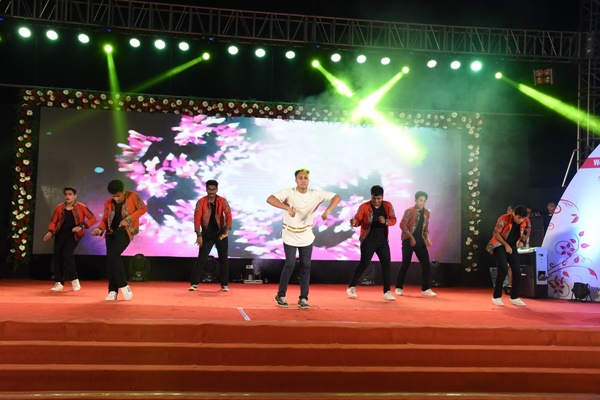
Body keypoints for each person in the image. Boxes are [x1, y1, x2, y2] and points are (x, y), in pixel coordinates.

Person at [267, 168, 341, 309]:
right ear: (296, 180)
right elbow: (270, 199)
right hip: (289, 233)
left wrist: (328, 210)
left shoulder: (315, 194)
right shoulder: (289, 192)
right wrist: (287, 208)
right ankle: (281, 295)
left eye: (305, 178)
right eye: (300, 178)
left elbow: (336, 197)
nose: (303, 180)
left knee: (306, 266)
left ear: (308, 180)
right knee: (290, 264)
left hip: (306, 234)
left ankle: (303, 298)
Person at [91, 179, 147, 301]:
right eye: (114, 196)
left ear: (123, 192)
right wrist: (100, 229)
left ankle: (124, 286)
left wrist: (128, 219)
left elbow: (142, 209)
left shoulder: (133, 196)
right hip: (111, 232)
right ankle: (112, 291)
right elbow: (105, 219)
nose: (116, 199)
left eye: (118, 196)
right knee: (110, 260)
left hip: (125, 232)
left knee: (113, 255)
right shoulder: (108, 202)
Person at [346, 185, 397, 301]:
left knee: (386, 265)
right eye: (374, 198)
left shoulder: (388, 205)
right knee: (364, 264)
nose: (376, 201)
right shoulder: (364, 206)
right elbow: (358, 220)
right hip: (368, 240)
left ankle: (387, 291)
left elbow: (394, 220)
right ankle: (351, 287)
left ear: (382, 197)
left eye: (379, 199)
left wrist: (386, 221)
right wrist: (354, 222)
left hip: (383, 242)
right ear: (371, 196)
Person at [43, 186, 97, 292]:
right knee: (57, 257)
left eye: (70, 194)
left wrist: (81, 226)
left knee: (67, 254)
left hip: (73, 235)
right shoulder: (59, 208)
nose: (68, 196)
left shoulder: (81, 206)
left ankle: (74, 279)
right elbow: (53, 221)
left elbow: (93, 218)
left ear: (75, 196)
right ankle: (58, 282)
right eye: (66, 194)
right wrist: (50, 231)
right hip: (60, 234)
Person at [189, 179, 233, 292]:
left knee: (223, 258)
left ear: (217, 190)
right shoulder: (201, 202)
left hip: (220, 233)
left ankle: (224, 284)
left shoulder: (222, 201)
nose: (211, 191)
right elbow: (197, 218)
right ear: (206, 189)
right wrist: (198, 235)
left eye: (213, 189)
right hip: (207, 234)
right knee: (201, 258)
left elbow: (228, 215)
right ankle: (194, 283)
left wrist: (227, 231)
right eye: (209, 189)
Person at [486, 204, 531, 307]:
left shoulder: (526, 221)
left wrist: (522, 242)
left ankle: (514, 297)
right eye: (519, 217)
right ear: (513, 214)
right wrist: (506, 245)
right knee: (503, 270)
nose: (521, 220)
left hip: (512, 246)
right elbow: (496, 233)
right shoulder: (504, 218)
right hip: (499, 244)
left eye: (523, 218)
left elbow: (527, 232)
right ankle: (496, 297)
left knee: (517, 271)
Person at [395, 191, 437, 297]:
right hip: (408, 240)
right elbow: (402, 225)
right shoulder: (409, 211)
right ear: (415, 200)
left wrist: (427, 238)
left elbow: (425, 227)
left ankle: (426, 289)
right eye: (420, 200)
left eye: (424, 201)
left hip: (420, 241)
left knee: (426, 265)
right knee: (405, 263)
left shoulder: (426, 213)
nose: (422, 203)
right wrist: (411, 237)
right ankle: (399, 287)